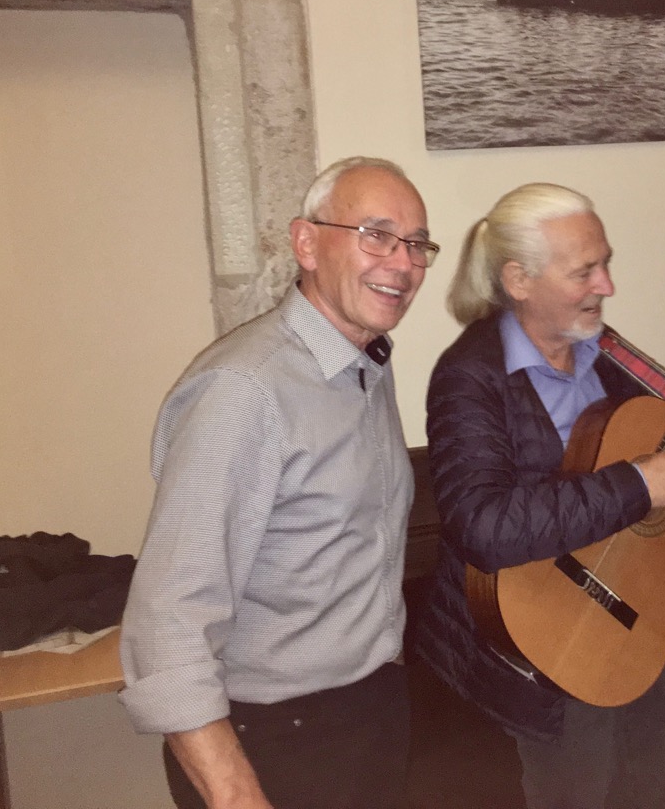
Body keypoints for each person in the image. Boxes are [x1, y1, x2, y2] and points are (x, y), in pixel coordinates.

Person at [415, 183, 665, 809]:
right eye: (584, 271)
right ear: (519, 280)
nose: (606, 285)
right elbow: (482, 526)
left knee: (652, 793)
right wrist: (644, 484)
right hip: (538, 640)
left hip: (636, 607)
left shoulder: (604, 347)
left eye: (605, 264)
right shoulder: (469, 377)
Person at [119, 156, 440, 809]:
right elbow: (168, 621)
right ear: (306, 243)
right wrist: (236, 794)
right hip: (276, 742)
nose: (403, 263)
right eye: (376, 235)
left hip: (368, 714)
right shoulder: (245, 390)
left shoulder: (363, 366)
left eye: (416, 244)